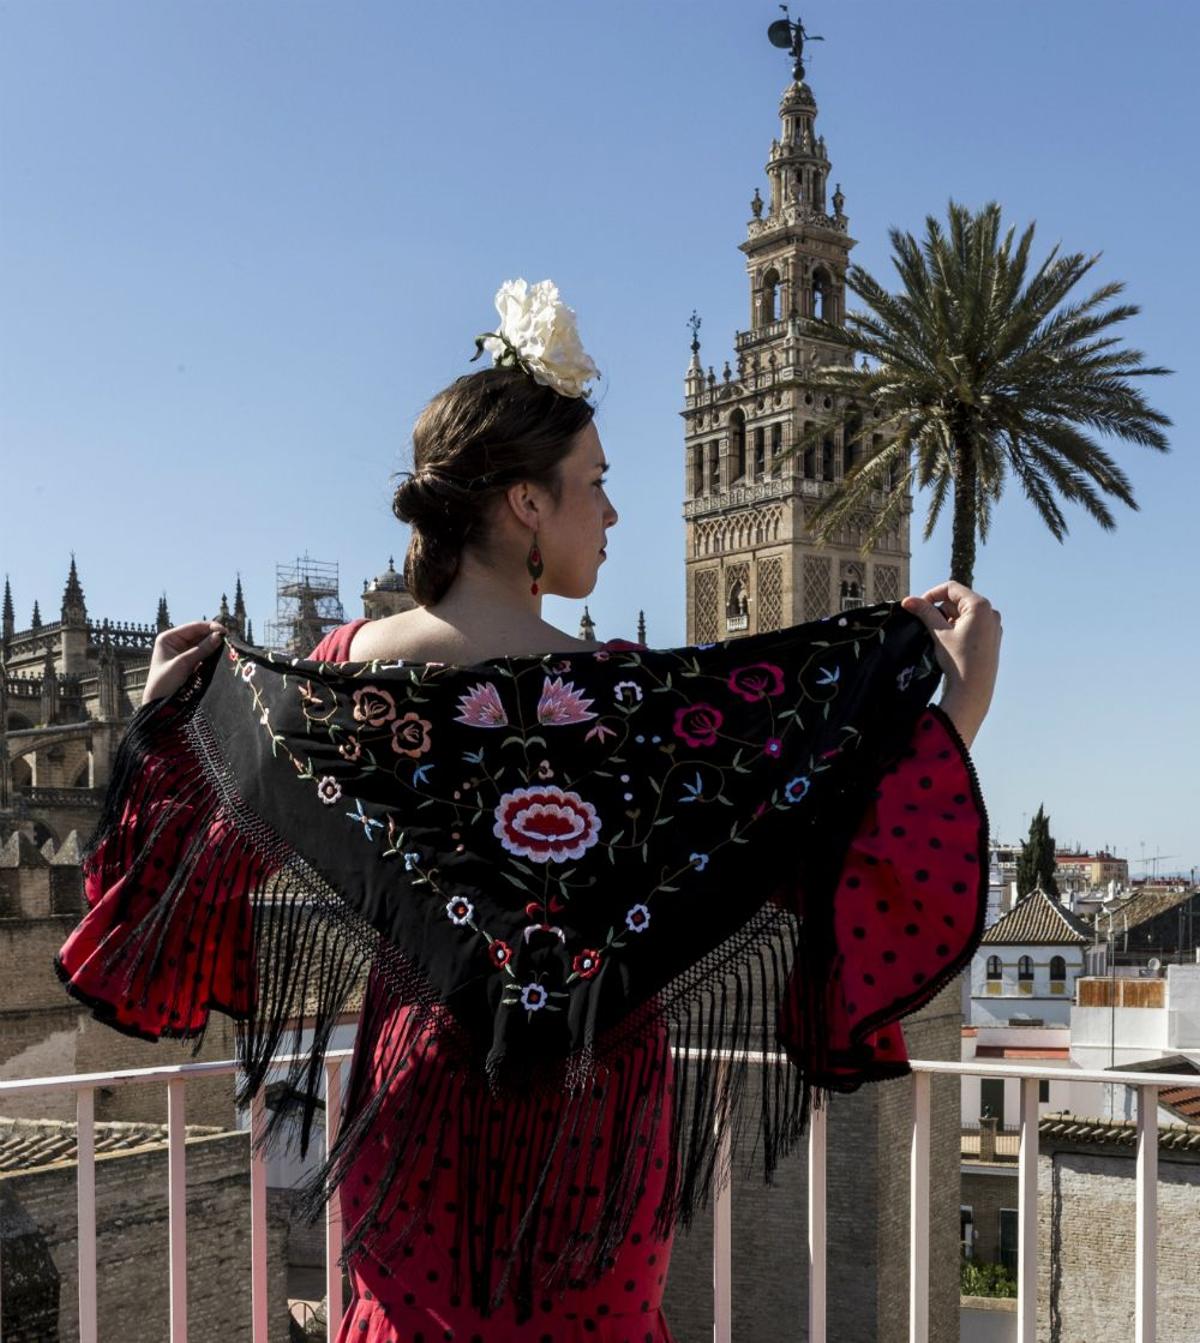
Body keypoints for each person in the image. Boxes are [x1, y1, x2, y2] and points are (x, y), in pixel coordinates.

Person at [57, 280, 1000, 1342]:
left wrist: (168, 722)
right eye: (593, 482)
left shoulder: (334, 681)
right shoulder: (643, 706)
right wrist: (956, 701)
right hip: (599, 1133)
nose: (611, 510)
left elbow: (178, 869)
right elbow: (819, 833)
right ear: (526, 505)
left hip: (414, 1113)